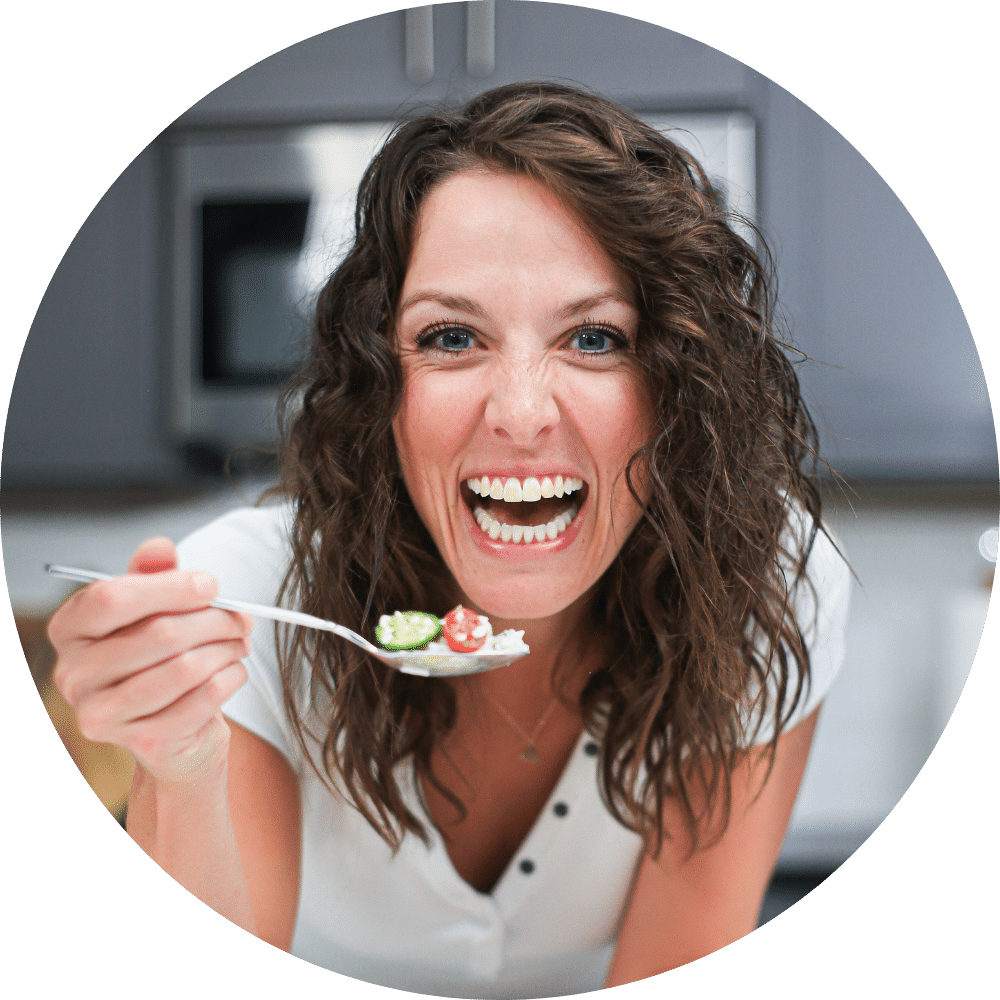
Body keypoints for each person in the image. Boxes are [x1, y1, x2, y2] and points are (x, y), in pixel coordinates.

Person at [48, 82, 850, 997]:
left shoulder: (762, 584)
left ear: (678, 388)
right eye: (451, 336)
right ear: (382, 387)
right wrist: (183, 768)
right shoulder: (243, 601)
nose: (517, 414)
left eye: (594, 337)